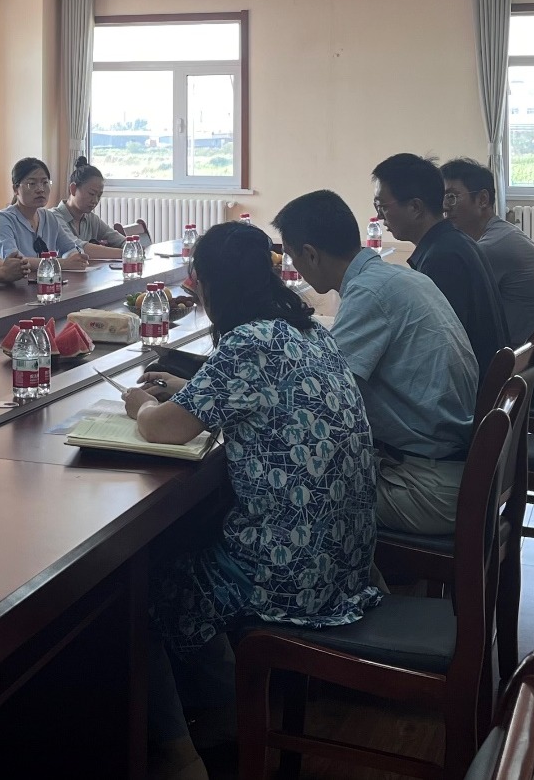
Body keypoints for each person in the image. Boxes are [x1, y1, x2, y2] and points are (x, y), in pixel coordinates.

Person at [119, 221, 380, 780]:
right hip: (348, 560)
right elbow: (245, 399)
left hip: (292, 574)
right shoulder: (306, 331)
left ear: (210, 286)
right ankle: (225, 713)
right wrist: (188, 391)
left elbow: (165, 429)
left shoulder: (247, 344)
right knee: (191, 545)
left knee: (143, 589)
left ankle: (179, 756)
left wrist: (142, 405)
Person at [273, 190, 478, 536]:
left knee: (283, 495)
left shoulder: (369, 294)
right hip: (456, 469)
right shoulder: (399, 278)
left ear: (310, 254)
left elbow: (323, 400)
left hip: (426, 487)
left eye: (292, 258)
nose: (295, 268)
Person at [441, 158, 534, 411]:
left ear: (482, 199)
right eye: (442, 198)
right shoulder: (501, 232)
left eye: (452, 197)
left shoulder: (491, 248)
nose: (445, 207)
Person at [372, 152, 510, 378]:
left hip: (467, 391)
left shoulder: (442, 259)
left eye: (383, 206)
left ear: (415, 207)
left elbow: (438, 349)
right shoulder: (453, 242)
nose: (379, 216)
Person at [0, 158, 89, 271]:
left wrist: (75, 257)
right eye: (32, 184)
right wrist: (63, 263)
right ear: (16, 189)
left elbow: (70, 248)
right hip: (14, 282)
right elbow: (15, 262)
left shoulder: (49, 217)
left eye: (45, 183)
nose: (40, 189)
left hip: (48, 280)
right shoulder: (2, 220)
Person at [45, 156, 126, 260]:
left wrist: (130, 247)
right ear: (73, 189)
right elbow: (78, 247)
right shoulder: (53, 217)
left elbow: (119, 239)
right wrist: (126, 253)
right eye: (91, 194)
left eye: (99, 196)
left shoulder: (91, 219)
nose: (95, 201)